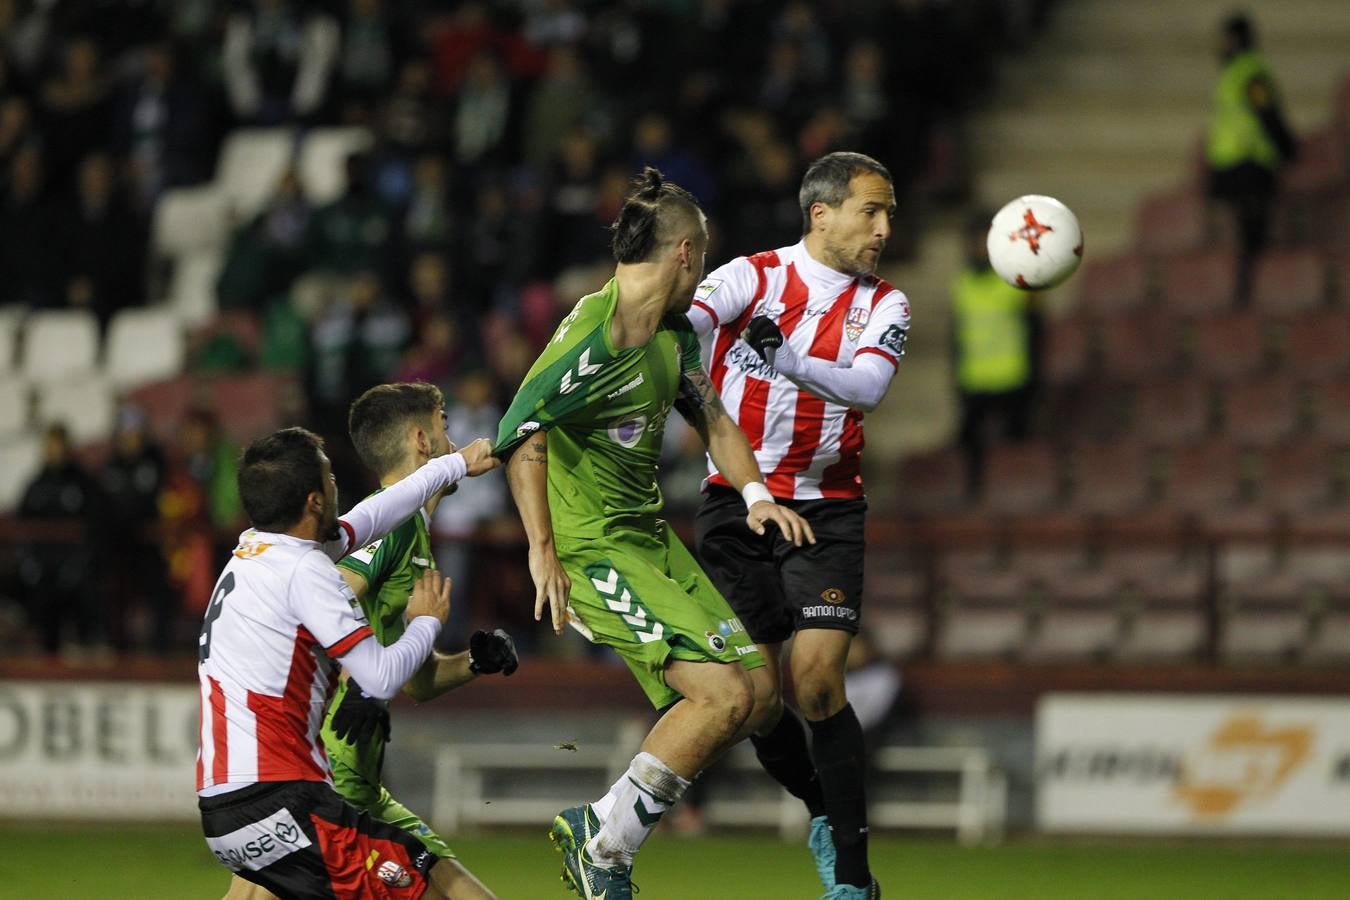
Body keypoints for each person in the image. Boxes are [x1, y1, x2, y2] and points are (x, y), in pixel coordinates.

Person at [493, 167, 815, 900]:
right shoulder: (591, 340)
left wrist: (757, 495)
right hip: (596, 550)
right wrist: (543, 548)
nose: (703, 269)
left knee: (760, 694)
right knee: (722, 699)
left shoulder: (670, 335)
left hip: (649, 538)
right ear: (683, 254)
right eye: (701, 256)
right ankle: (607, 849)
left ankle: (598, 822)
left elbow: (715, 420)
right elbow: (518, 435)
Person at [687, 151, 910, 900]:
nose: (882, 228)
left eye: (887, 214)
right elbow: (679, 320)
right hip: (734, 501)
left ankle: (852, 880)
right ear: (822, 213)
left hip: (826, 506)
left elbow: (869, 389)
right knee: (751, 701)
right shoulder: (749, 277)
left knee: (816, 681)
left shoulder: (888, 305)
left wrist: (787, 360)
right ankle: (824, 808)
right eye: (869, 211)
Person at [196, 426, 498, 898]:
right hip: (284, 800)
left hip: (225, 808)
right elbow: (378, 677)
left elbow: (374, 515)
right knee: (435, 891)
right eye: (330, 475)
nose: (339, 483)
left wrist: (456, 465)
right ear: (315, 500)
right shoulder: (305, 571)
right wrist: (425, 622)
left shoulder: (254, 549)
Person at [1205, 12, 1296, 305]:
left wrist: (1286, 148)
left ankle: (1246, 299)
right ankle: (1242, 298)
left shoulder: (1246, 72)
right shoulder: (1238, 72)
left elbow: (1266, 112)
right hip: (1237, 167)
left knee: (1251, 244)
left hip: (1246, 167)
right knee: (1244, 244)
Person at [950, 210, 1041, 498]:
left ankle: (1019, 495)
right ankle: (974, 494)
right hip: (974, 378)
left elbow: (1037, 330)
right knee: (970, 446)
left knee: (1017, 446)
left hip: (1013, 375)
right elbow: (956, 336)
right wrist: (956, 375)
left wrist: (1035, 374)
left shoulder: (1018, 281)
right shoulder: (963, 284)